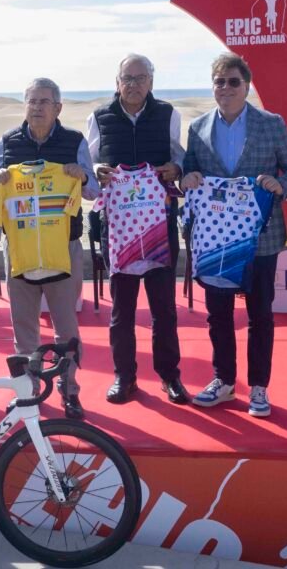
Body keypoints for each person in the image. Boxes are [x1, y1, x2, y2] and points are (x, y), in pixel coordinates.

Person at [181, 53, 287, 417]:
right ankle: (223, 380)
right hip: (215, 240)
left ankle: (259, 388)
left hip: (261, 238)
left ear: (246, 86)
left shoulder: (271, 123)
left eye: (233, 81)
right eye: (219, 82)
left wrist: (280, 185)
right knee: (218, 315)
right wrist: (188, 178)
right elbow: (190, 171)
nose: (226, 88)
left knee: (260, 316)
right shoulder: (198, 127)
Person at [0, 77, 100, 419]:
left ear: (58, 108)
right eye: (32, 101)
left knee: (66, 329)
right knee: (23, 328)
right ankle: (28, 392)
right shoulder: (8, 142)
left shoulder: (74, 141)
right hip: (19, 248)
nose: (37, 107)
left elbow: (93, 191)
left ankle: (70, 390)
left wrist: (82, 176)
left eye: (44, 102)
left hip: (62, 248)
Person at [86, 54, 188, 405]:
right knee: (122, 311)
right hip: (118, 229)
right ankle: (124, 377)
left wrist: (176, 168)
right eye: (127, 78)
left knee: (164, 309)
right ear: (117, 82)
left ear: (151, 82)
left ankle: (170, 376)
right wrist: (96, 170)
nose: (133, 84)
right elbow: (90, 162)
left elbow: (179, 156)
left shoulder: (168, 114)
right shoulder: (99, 117)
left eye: (140, 78)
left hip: (159, 226)